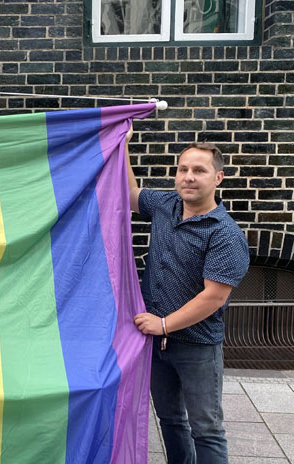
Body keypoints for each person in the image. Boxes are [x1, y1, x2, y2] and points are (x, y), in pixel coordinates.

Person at [127, 127, 249, 463]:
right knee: (170, 420)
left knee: (206, 428)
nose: (189, 177)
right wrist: (121, 144)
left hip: (196, 345)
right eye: (183, 169)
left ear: (218, 178)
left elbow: (213, 297)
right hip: (158, 343)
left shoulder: (225, 234)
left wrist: (164, 324)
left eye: (199, 170)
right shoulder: (167, 205)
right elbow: (130, 194)